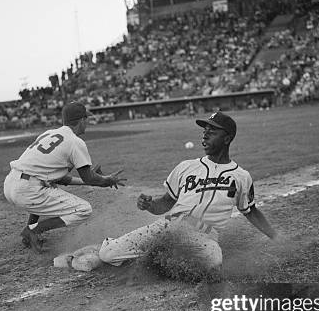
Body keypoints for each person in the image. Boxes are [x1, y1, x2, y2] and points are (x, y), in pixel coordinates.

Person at [98, 111, 277, 271]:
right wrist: (149, 205)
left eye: (212, 132)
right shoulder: (186, 167)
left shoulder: (241, 176)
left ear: (227, 139)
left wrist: (276, 238)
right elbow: (166, 203)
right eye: (204, 131)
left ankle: (159, 256)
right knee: (108, 254)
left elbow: (251, 212)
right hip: (170, 224)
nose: (205, 136)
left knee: (214, 263)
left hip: (205, 235)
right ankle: (117, 245)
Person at [3, 101, 126, 253]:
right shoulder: (75, 142)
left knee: (47, 186)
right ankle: (34, 231)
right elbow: (89, 178)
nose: (87, 122)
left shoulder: (48, 133)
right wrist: (106, 180)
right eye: (86, 119)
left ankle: (31, 231)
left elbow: (59, 178)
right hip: (28, 190)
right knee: (83, 209)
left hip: (11, 184)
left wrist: (96, 180)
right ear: (81, 120)